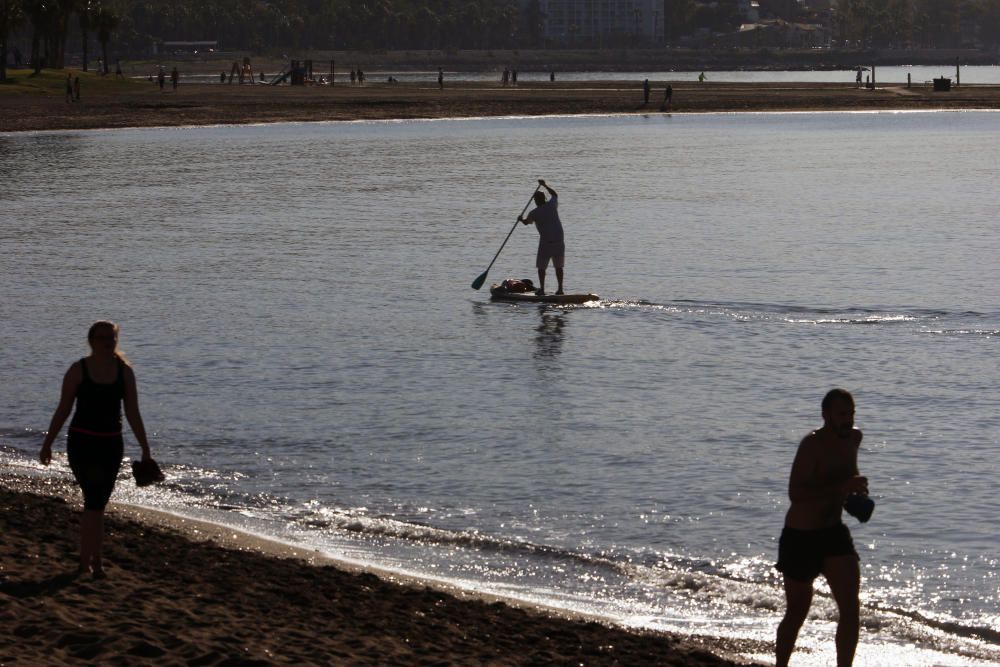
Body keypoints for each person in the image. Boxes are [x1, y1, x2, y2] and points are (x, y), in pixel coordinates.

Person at [39, 321, 155, 578]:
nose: (107, 342)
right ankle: (90, 563)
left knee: (98, 504)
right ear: (91, 340)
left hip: (111, 445)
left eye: (111, 338)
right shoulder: (78, 370)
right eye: (102, 338)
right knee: (93, 499)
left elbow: (133, 412)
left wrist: (145, 448)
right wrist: (47, 444)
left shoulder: (124, 372)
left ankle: (93, 561)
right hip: (82, 443)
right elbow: (63, 409)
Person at [775, 388, 869, 667]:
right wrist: (841, 487)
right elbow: (796, 493)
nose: (848, 420)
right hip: (801, 536)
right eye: (842, 414)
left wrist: (857, 494)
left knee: (851, 608)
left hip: (834, 532)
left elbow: (848, 474)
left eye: (851, 413)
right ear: (825, 415)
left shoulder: (854, 438)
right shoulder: (811, 445)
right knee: (797, 612)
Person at [518, 179, 565, 295]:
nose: (534, 201)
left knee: (541, 267)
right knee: (558, 267)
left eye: (535, 200)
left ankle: (542, 289)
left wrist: (520, 219)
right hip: (559, 240)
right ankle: (560, 289)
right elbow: (554, 194)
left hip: (546, 242)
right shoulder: (552, 205)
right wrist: (545, 185)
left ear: (537, 200)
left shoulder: (534, 213)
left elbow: (526, 222)